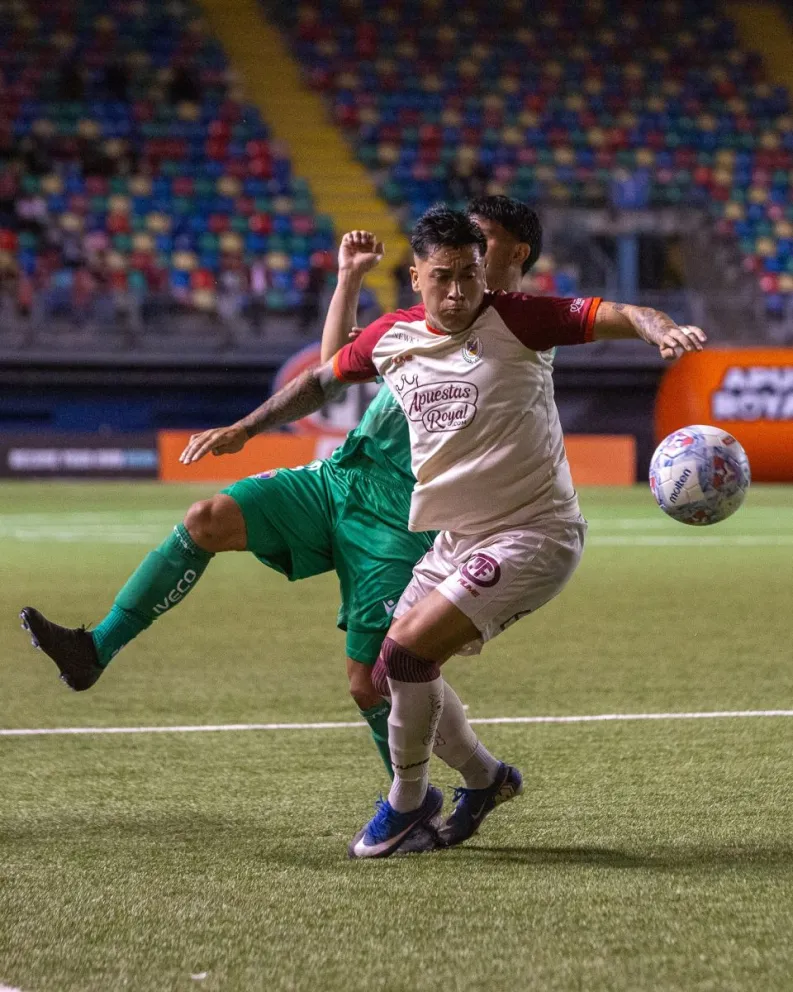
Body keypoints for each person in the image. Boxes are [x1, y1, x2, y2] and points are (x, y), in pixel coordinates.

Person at [174, 206, 707, 859]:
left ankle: (408, 802)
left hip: (533, 533)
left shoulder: (518, 317)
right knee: (378, 677)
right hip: (455, 537)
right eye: (442, 279)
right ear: (416, 278)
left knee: (406, 656)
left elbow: (621, 312)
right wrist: (245, 429)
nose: (457, 293)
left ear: (486, 271)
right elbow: (320, 377)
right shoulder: (391, 336)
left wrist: (662, 330)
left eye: (468, 277)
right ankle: (484, 780)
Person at [19, 201, 543, 794]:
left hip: (405, 518)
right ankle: (95, 649)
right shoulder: (429, 319)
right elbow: (329, 372)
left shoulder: (519, 334)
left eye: (481, 241)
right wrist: (348, 279)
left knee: (370, 681)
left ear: (515, 254)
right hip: (342, 478)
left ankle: (437, 791)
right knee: (208, 518)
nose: (463, 252)